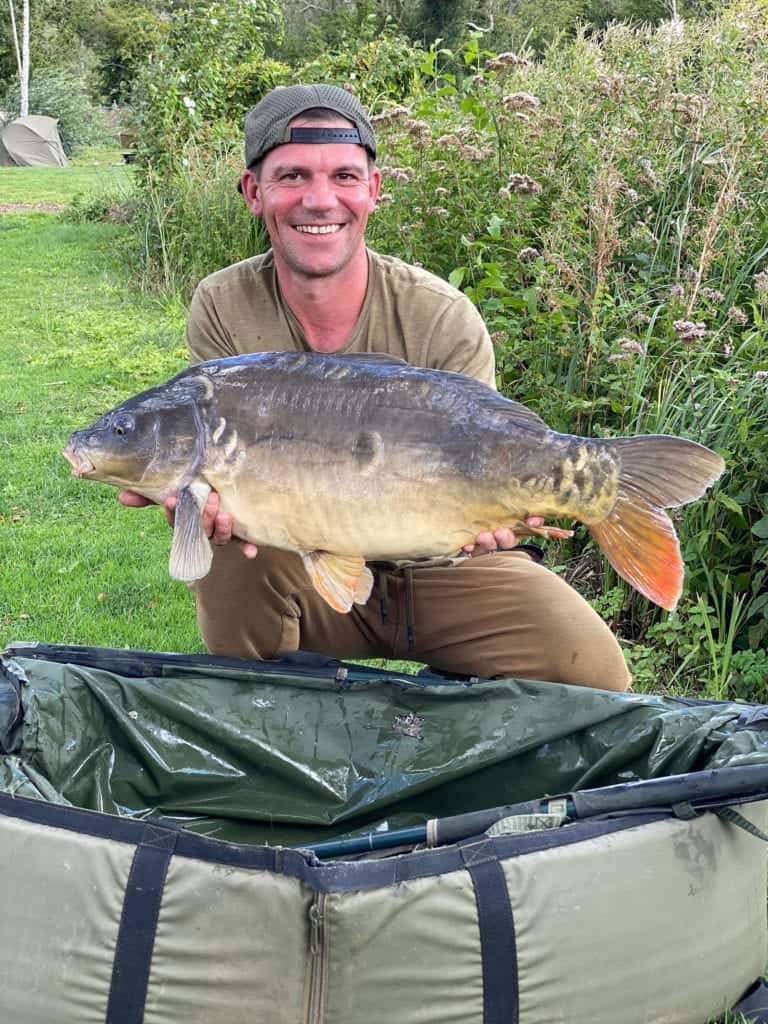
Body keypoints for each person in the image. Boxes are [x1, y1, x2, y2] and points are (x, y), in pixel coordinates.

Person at [122, 83, 631, 690]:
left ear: (374, 190)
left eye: (343, 175)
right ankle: (269, 718)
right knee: (231, 563)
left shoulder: (440, 314)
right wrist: (192, 503)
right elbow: (222, 482)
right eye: (291, 177)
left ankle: (451, 724)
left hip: (445, 563)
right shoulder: (223, 303)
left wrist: (501, 515)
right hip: (300, 567)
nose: (319, 200)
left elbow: (486, 454)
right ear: (253, 192)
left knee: (597, 674)